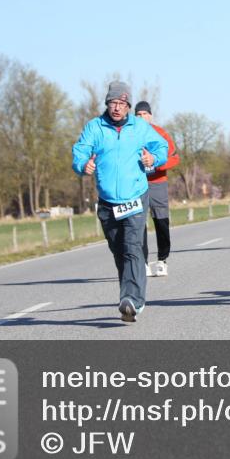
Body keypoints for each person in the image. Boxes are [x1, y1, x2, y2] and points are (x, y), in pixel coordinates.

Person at [73, 82, 167, 322]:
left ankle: (133, 300)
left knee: (133, 247)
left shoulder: (139, 127)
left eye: (122, 104)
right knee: (118, 250)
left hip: (135, 197)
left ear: (128, 106)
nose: (117, 108)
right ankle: (130, 295)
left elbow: (161, 147)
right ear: (107, 103)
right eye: (113, 103)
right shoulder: (95, 127)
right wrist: (83, 165)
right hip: (107, 202)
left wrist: (152, 158)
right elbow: (80, 150)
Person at [134, 101, 180, 277]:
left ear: (150, 116)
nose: (142, 117)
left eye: (145, 114)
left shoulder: (160, 133)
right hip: (137, 184)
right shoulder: (130, 134)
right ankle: (143, 263)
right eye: (138, 115)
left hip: (157, 182)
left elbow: (175, 158)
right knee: (138, 224)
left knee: (161, 221)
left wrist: (156, 163)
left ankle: (162, 260)